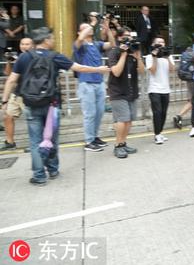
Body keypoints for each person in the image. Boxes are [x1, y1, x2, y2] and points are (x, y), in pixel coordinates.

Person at [1, 27, 110, 185]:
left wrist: (4, 101)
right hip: (52, 105)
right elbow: (78, 68)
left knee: (35, 141)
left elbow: (11, 80)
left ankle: (39, 176)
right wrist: (98, 69)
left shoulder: (24, 58)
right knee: (51, 139)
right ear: (45, 40)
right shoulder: (55, 56)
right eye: (51, 38)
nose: (53, 41)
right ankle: (52, 170)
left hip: (31, 104)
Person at [73, 20, 115, 152]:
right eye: (84, 28)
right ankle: (89, 141)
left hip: (99, 82)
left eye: (90, 28)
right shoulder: (80, 46)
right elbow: (80, 38)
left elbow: (113, 44)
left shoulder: (96, 44)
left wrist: (107, 30)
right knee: (89, 114)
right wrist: (92, 23)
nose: (89, 29)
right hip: (86, 83)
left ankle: (95, 137)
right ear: (80, 32)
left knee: (99, 112)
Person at [107, 27, 145, 158]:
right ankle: (117, 145)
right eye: (125, 37)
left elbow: (141, 71)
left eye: (130, 36)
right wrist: (123, 54)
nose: (129, 39)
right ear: (119, 38)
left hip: (131, 91)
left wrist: (138, 57)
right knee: (122, 120)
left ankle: (123, 143)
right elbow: (116, 72)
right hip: (118, 91)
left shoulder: (133, 52)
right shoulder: (114, 52)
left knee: (129, 121)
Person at [1, 37, 34, 151]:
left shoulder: (35, 57)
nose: (24, 46)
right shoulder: (19, 58)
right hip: (17, 92)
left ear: (33, 46)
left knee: (33, 120)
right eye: (22, 44)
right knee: (8, 116)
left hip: (30, 93)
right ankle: (10, 143)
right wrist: (9, 61)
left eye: (27, 44)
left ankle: (35, 143)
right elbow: (8, 74)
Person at [146, 37, 174, 144]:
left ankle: (160, 132)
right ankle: (157, 134)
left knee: (163, 113)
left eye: (162, 42)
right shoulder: (149, 57)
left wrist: (166, 57)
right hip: (154, 89)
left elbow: (172, 70)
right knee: (157, 112)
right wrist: (155, 56)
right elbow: (153, 71)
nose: (161, 44)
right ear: (154, 45)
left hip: (165, 89)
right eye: (158, 43)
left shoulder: (168, 56)